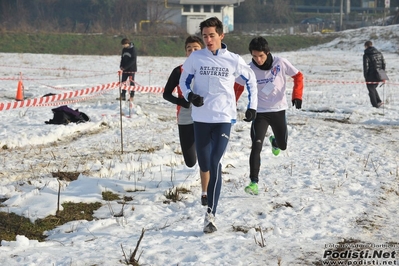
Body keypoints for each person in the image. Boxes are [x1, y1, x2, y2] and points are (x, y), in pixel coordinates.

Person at [179, 17, 258, 234]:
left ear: (221, 35)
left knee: (215, 163)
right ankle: (208, 191)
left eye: (212, 35)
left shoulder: (233, 59)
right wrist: (190, 95)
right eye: (204, 36)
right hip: (201, 118)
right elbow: (183, 81)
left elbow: (250, 79)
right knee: (204, 164)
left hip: (223, 118)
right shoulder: (196, 57)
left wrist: (253, 106)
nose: (208, 39)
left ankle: (211, 215)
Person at [236, 36, 303, 196]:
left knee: (283, 145)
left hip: (278, 110)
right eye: (254, 56)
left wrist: (297, 95)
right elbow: (237, 86)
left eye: (261, 56)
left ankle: (274, 141)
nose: (258, 60)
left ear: (267, 52)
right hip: (259, 113)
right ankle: (253, 183)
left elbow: (298, 76)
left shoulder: (280, 63)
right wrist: (232, 104)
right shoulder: (249, 69)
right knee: (256, 147)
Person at [163, 35, 210, 206]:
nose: (192, 51)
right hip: (185, 113)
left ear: (202, 49)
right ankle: (198, 149)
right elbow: (166, 94)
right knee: (191, 162)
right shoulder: (179, 70)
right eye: (189, 49)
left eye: (196, 48)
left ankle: (207, 188)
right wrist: (181, 101)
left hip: (205, 112)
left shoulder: (208, 68)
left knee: (206, 154)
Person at [363, 40, 386, 108]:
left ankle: (375, 105)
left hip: (371, 75)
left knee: (371, 90)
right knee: (373, 88)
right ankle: (379, 101)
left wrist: (366, 76)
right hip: (379, 74)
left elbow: (365, 67)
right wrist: (383, 75)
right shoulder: (379, 53)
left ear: (366, 46)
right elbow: (383, 64)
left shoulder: (366, 54)